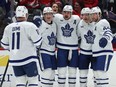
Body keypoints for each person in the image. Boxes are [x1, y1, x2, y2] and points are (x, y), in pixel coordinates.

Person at [0, 6, 42, 87]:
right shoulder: (30, 25)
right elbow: (38, 42)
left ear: (16, 16)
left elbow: (4, 45)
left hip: (15, 60)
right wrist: (37, 28)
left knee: (20, 82)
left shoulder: (8, 27)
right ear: (26, 15)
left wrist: (14, 50)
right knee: (33, 81)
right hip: (29, 59)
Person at [54, 5, 80, 87]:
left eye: (68, 12)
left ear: (72, 13)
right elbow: (47, 16)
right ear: (62, 12)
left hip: (74, 49)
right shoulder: (57, 18)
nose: (66, 14)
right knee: (61, 71)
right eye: (65, 12)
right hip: (61, 49)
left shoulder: (77, 19)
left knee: (73, 72)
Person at [91, 6, 113, 87]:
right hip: (96, 53)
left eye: (94, 14)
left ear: (99, 14)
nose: (93, 16)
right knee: (96, 74)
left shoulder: (103, 22)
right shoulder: (94, 24)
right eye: (91, 15)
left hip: (104, 52)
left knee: (101, 73)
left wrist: (105, 39)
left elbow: (109, 33)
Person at [38, 7, 57, 87]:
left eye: (50, 14)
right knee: (47, 71)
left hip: (52, 52)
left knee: (52, 73)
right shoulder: (40, 25)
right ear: (43, 15)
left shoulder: (55, 25)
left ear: (53, 15)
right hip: (43, 52)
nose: (48, 16)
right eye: (46, 14)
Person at [77, 7, 96, 87]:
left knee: (97, 73)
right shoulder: (80, 24)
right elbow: (78, 36)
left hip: (95, 53)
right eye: (83, 15)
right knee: (82, 73)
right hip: (84, 52)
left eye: (87, 15)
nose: (85, 17)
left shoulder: (96, 23)